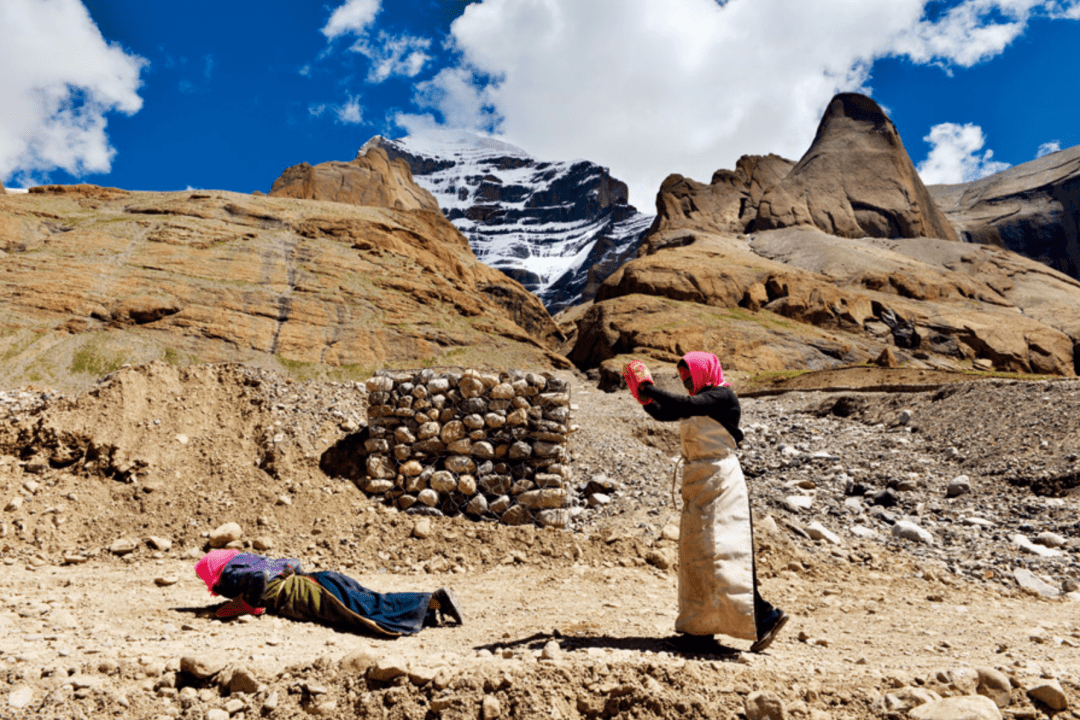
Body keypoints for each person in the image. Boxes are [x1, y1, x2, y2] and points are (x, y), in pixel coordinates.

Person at [623, 352, 788, 653]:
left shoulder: (722, 396)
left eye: (688, 375)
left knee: (726, 553)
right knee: (698, 555)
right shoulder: (701, 400)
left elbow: (683, 406)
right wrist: (646, 401)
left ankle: (765, 617)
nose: (685, 381)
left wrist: (648, 388)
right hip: (700, 482)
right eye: (682, 377)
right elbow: (665, 413)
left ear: (702, 371)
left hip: (722, 484)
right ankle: (699, 631)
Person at [194, 549, 463, 636]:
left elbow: (258, 579)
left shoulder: (229, 575)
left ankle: (434, 600)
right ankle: (429, 612)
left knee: (368, 613)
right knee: (372, 599)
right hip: (320, 580)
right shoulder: (256, 558)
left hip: (312, 595)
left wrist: (249, 605)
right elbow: (294, 564)